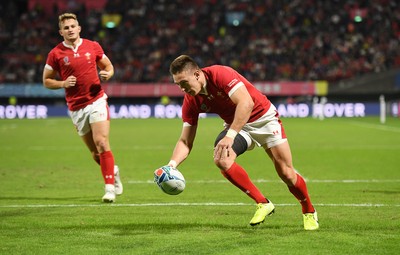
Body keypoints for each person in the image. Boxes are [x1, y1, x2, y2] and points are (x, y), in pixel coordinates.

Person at [167, 55, 319, 230]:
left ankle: (308, 211)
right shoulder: (191, 101)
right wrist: (172, 165)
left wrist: (230, 135)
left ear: (197, 74)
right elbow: (185, 141)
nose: (182, 89)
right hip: (239, 126)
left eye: (184, 82)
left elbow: (246, 103)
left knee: (286, 173)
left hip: (264, 119)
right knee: (222, 159)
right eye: (178, 85)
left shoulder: (220, 74)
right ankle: (263, 203)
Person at [42, 13, 123, 203]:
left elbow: (109, 67)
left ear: (79, 28)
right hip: (76, 107)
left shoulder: (93, 46)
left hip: (97, 100)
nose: (70, 29)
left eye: (73, 26)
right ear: (61, 32)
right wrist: (62, 84)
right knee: (95, 153)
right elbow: (46, 81)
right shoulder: (55, 54)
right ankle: (114, 171)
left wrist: (107, 74)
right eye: (66, 27)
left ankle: (109, 188)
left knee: (102, 142)